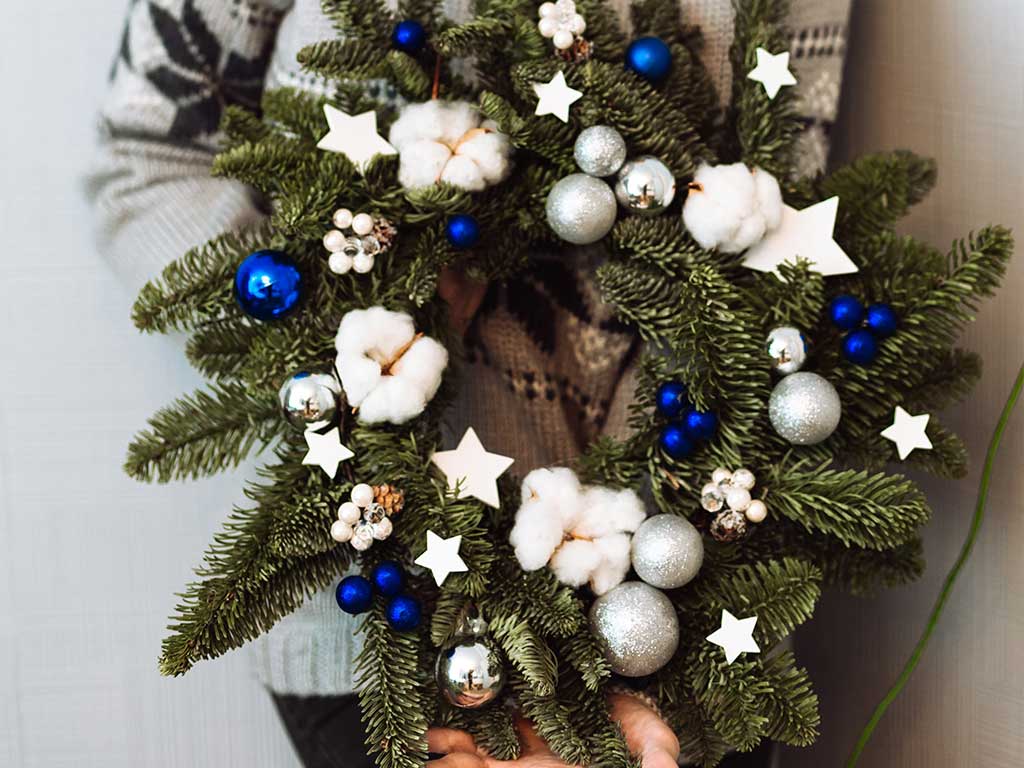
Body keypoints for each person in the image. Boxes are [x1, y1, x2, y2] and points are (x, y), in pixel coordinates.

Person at [89, 0, 850, 764]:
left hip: (689, 627)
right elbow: (147, 158)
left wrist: (640, 657)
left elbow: (773, 249)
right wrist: (352, 341)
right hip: (380, 608)